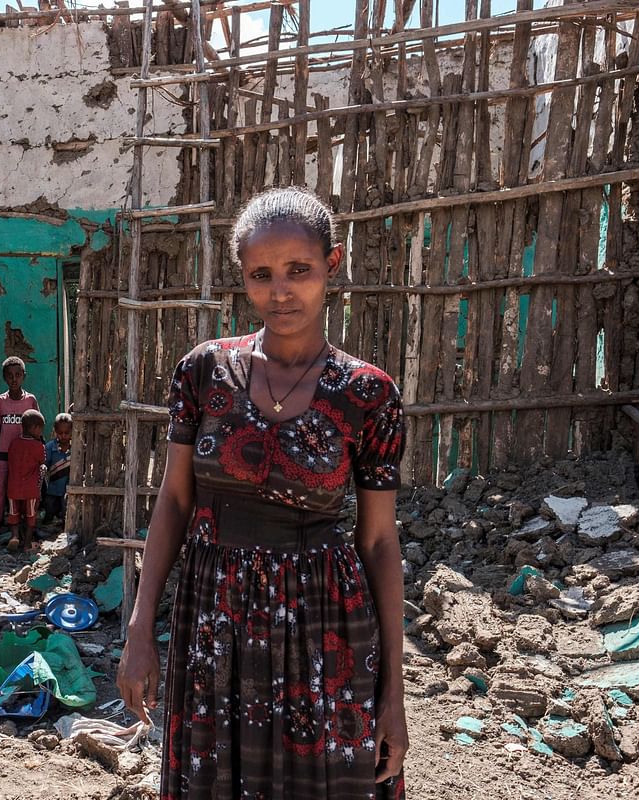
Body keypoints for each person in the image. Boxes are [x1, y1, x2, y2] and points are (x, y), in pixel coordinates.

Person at [116, 188, 408, 799]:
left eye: (298, 270)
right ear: (243, 280)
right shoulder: (203, 371)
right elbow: (173, 501)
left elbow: (379, 540)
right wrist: (141, 629)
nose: (280, 291)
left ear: (333, 264)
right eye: (261, 275)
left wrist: (394, 692)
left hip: (325, 621)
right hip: (212, 617)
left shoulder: (367, 395)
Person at [0, 356, 39, 547]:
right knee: (0, 490)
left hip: (25, 458)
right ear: (4, 377)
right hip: (4, 454)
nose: (14, 379)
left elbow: (37, 426)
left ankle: (29, 528)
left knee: (27, 492)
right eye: (10, 376)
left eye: (18, 375)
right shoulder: (1, 401)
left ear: (24, 376)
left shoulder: (30, 400)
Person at [5, 409, 47, 552]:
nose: (42, 433)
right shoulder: (38, 446)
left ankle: (15, 536)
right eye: (41, 429)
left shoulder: (14, 443)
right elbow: (42, 461)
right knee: (31, 517)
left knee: (13, 514)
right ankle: (27, 544)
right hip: (30, 489)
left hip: (13, 487)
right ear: (34, 428)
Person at [41, 412, 72, 529]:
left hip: (68, 489)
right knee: (49, 509)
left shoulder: (76, 447)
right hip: (52, 489)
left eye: (66, 433)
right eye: (60, 433)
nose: (63, 436)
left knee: (66, 511)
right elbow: (44, 465)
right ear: (55, 431)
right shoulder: (49, 447)